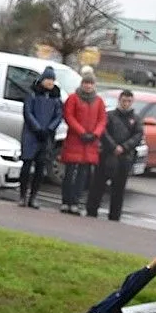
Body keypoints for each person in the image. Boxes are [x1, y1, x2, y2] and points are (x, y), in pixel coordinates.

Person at [86, 89, 143, 221]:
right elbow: (103, 131)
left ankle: (114, 216)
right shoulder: (109, 115)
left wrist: (124, 147)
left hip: (125, 157)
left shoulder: (136, 119)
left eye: (129, 101)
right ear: (119, 100)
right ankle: (91, 211)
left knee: (119, 189)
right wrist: (113, 146)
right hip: (106, 155)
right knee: (97, 185)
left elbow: (138, 135)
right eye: (124, 100)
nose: (126, 103)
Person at [59, 72, 107, 215]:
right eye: (86, 83)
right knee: (69, 173)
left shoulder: (99, 101)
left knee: (83, 175)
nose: (88, 86)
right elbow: (69, 116)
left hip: (90, 143)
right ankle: (66, 201)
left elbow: (102, 119)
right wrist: (81, 132)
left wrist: (95, 134)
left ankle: (75, 201)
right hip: (75, 140)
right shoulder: (73, 98)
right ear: (82, 84)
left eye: (90, 83)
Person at [18, 66, 63, 208]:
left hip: (46, 137)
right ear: (42, 79)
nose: (50, 82)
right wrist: (37, 129)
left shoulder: (56, 97)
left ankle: (33, 197)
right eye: (48, 79)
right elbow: (28, 112)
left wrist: (49, 129)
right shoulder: (32, 94)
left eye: (52, 79)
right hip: (31, 135)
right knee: (26, 165)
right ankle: (22, 196)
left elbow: (58, 115)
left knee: (40, 166)